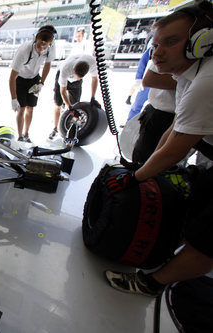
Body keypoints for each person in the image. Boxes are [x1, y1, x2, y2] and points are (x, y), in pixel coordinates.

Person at [105, 1, 213, 297]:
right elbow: (173, 130)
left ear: (200, 43)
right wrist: (143, 170)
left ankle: (149, 283)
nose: (157, 52)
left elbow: (173, 151)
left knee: (206, 241)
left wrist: (136, 177)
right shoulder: (190, 76)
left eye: (171, 42)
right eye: (156, 44)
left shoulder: (206, 82)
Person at [9, 25, 56, 143]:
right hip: (20, 79)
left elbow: (47, 65)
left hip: (34, 78)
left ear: (49, 43)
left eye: (44, 46)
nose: (41, 49)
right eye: (39, 45)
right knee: (22, 108)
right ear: (35, 39)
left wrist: (41, 83)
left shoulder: (51, 47)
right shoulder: (24, 51)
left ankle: (26, 134)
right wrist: (14, 99)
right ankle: (20, 136)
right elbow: (12, 78)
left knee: (30, 108)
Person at [131, 61, 176, 164]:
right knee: (143, 159)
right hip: (160, 114)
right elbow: (149, 79)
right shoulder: (173, 50)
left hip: (186, 115)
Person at [49, 53, 98, 140]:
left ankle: (68, 131)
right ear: (74, 69)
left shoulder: (92, 62)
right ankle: (55, 128)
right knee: (58, 104)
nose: (78, 78)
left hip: (76, 83)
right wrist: (69, 107)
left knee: (75, 105)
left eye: (80, 77)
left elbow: (94, 79)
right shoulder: (66, 68)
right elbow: (63, 91)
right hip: (62, 77)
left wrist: (92, 97)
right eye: (77, 76)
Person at [124, 47, 151, 121]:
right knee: (137, 106)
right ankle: (129, 123)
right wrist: (138, 79)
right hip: (148, 82)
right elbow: (143, 61)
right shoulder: (152, 49)